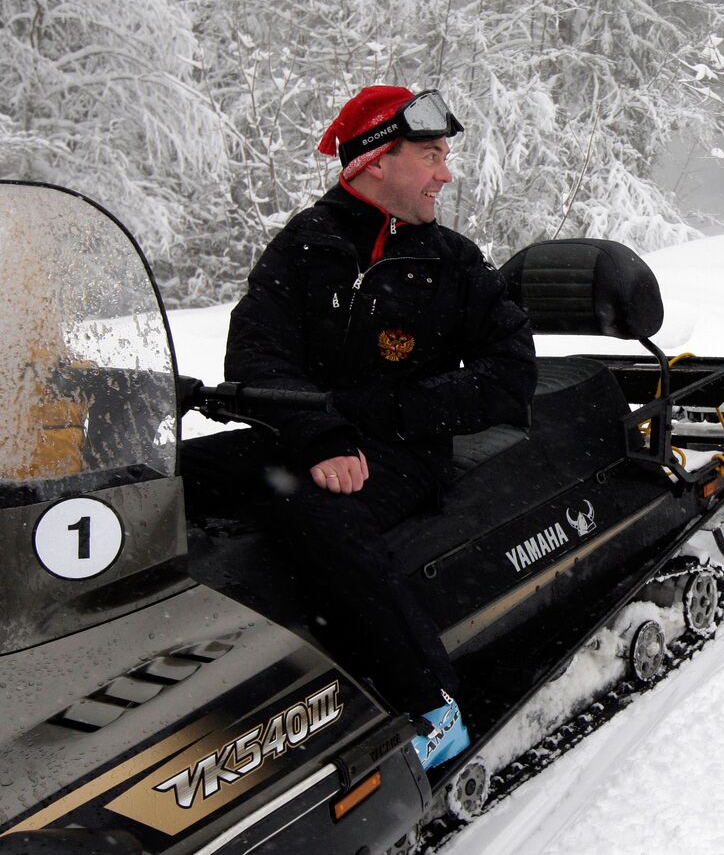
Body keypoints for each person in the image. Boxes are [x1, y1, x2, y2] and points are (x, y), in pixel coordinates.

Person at [184, 85, 536, 771]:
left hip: (405, 449)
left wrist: (383, 412)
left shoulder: (452, 262)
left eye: (444, 156)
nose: (446, 173)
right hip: (301, 436)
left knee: (318, 512)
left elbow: (508, 377)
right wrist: (319, 433)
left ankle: (431, 707)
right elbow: (257, 352)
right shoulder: (306, 245)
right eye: (431, 155)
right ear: (376, 161)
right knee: (174, 475)